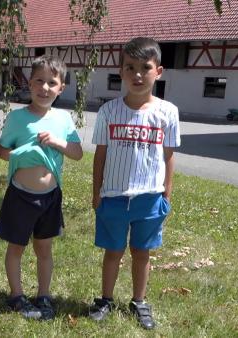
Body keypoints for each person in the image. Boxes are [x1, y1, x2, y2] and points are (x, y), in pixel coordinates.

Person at [89, 37, 180, 330]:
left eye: (145, 67)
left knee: (142, 252)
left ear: (159, 71)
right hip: (114, 196)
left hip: (150, 198)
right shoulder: (108, 111)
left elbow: (168, 156)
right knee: (113, 251)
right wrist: (96, 193)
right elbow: (100, 156)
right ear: (121, 71)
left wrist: (166, 194)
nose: (138, 74)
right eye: (130, 67)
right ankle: (105, 299)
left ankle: (139, 301)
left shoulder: (168, 112)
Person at [0, 55, 83, 320]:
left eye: (51, 83)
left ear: (61, 88)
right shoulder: (17, 118)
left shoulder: (64, 119)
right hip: (21, 195)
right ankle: (16, 295)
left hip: (50, 197)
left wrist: (57, 142)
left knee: (44, 249)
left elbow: (77, 153)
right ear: (30, 84)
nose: (45, 88)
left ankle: (44, 295)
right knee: (16, 248)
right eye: (39, 81)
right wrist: (25, 151)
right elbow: (2, 151)